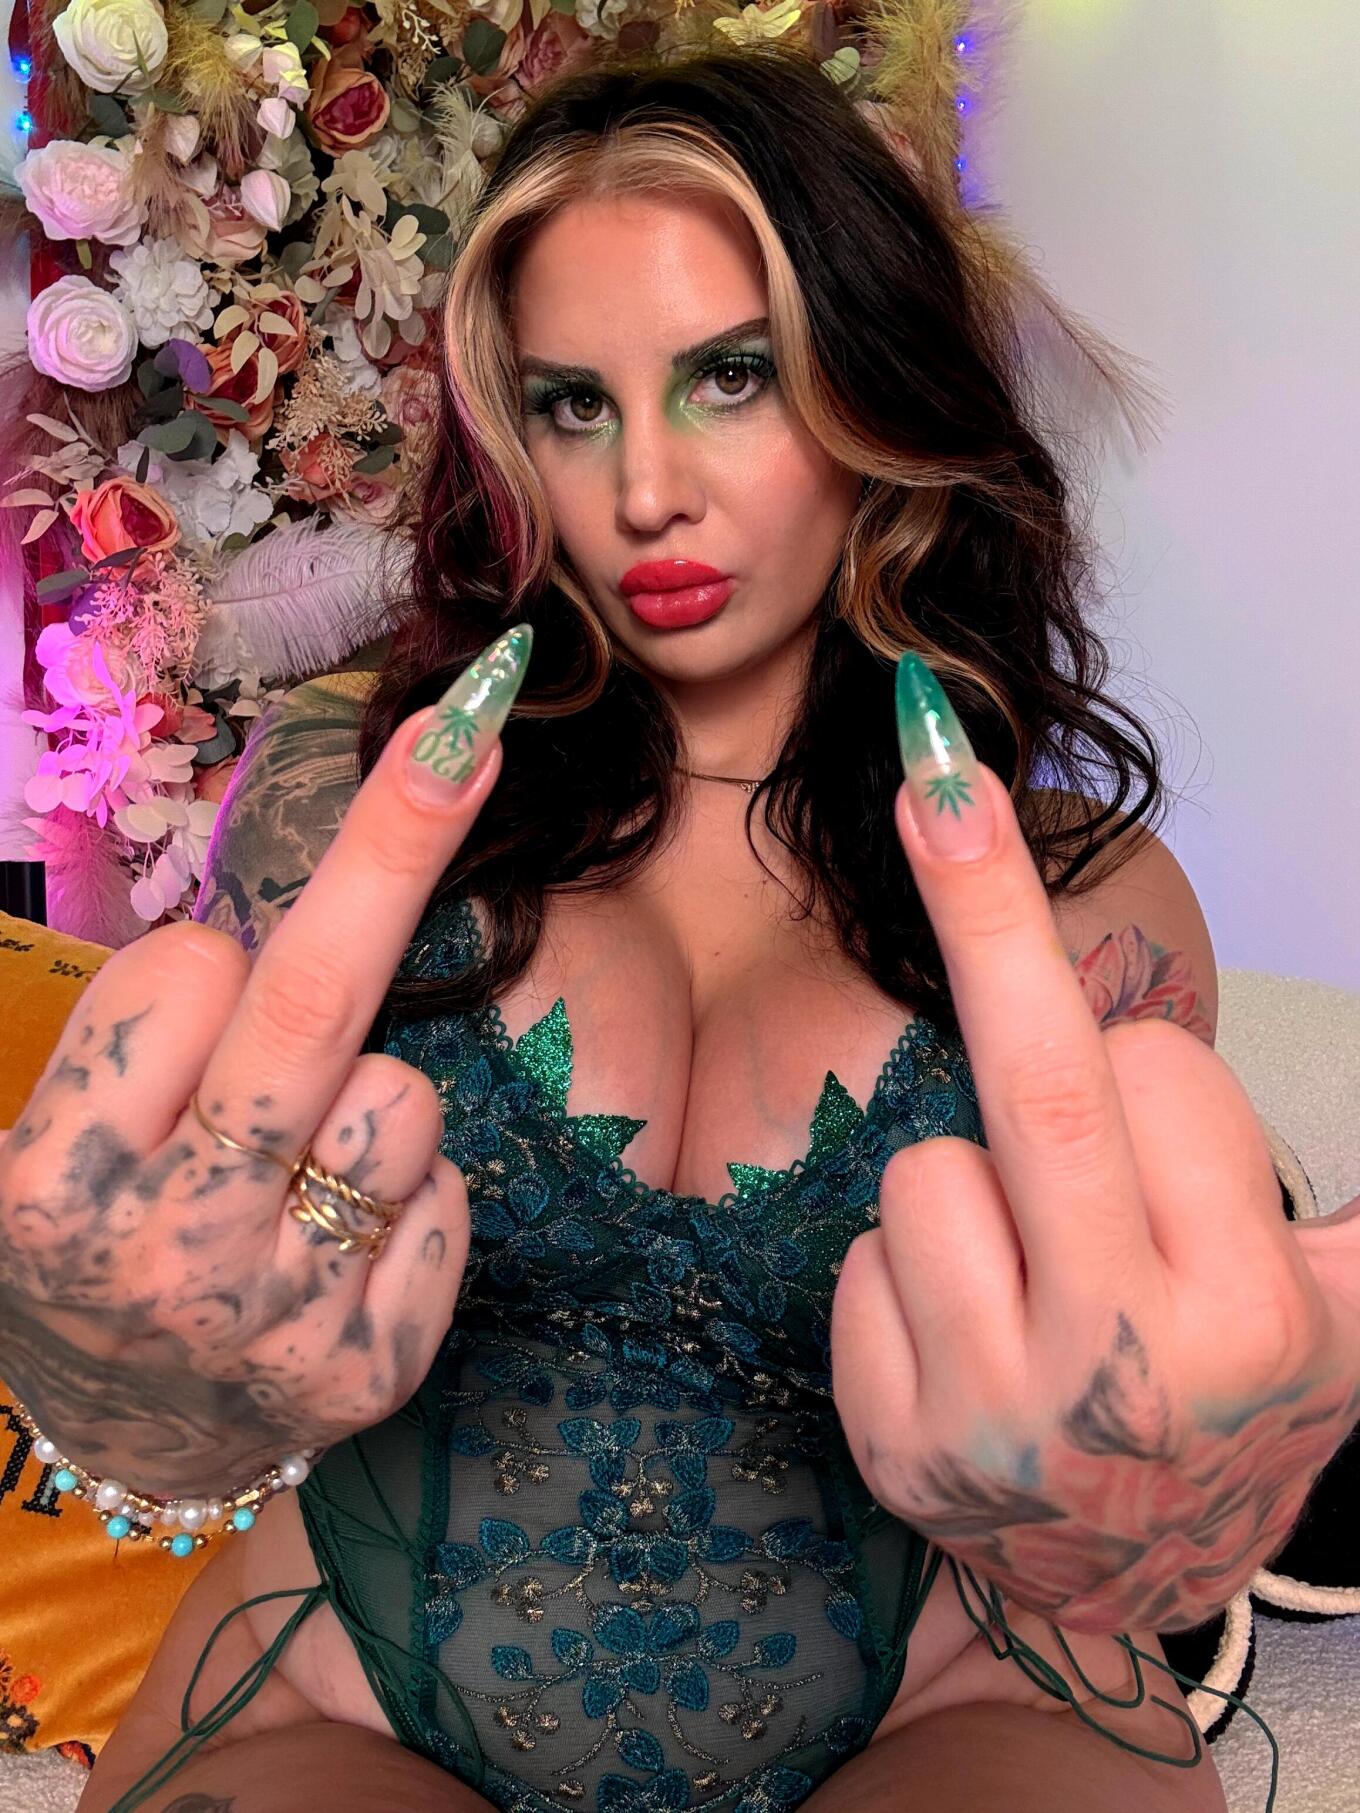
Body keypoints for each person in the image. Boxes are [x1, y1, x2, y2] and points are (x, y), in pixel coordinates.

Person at [10, 43, 1353, 1813]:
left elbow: (1137, 1384)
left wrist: (1167, 1501)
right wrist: (121, 1417)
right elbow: (196, 1271)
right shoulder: (348, 807)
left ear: (876, 388)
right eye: (573, 404)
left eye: (732, 374)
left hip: (953, 1699)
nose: (646, 488)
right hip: (341, 1695)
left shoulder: (1085, 902)